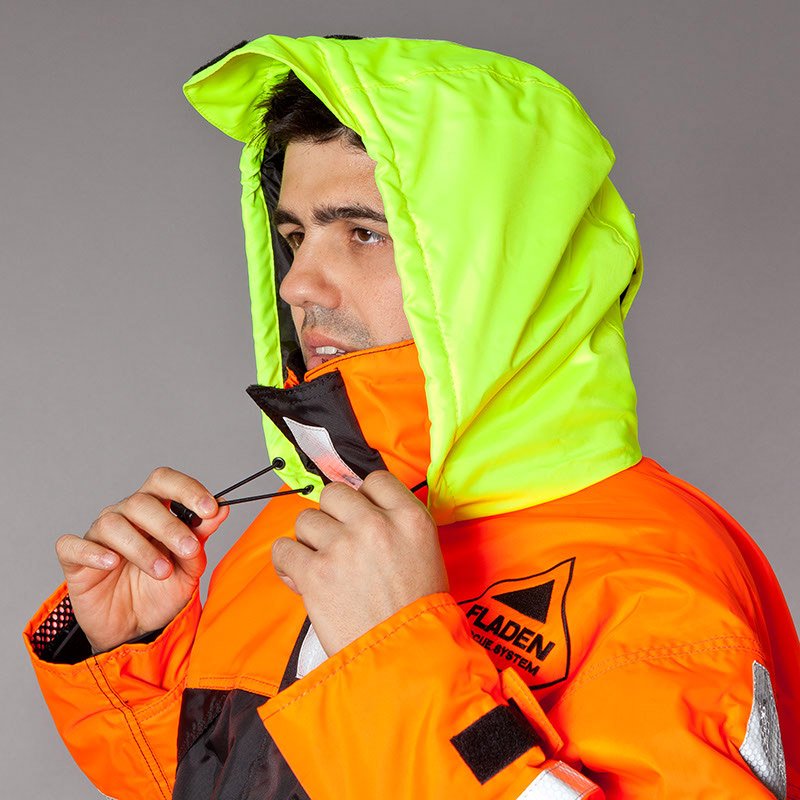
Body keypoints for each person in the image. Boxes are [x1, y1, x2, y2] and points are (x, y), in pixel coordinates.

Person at [23, 33, 799, 800]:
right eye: (295, 236)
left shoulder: (659, 581)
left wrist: (394, 663)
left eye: (363, 233)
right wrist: (132, 646)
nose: (298, 284)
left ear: (500, 272)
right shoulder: (304, 527)